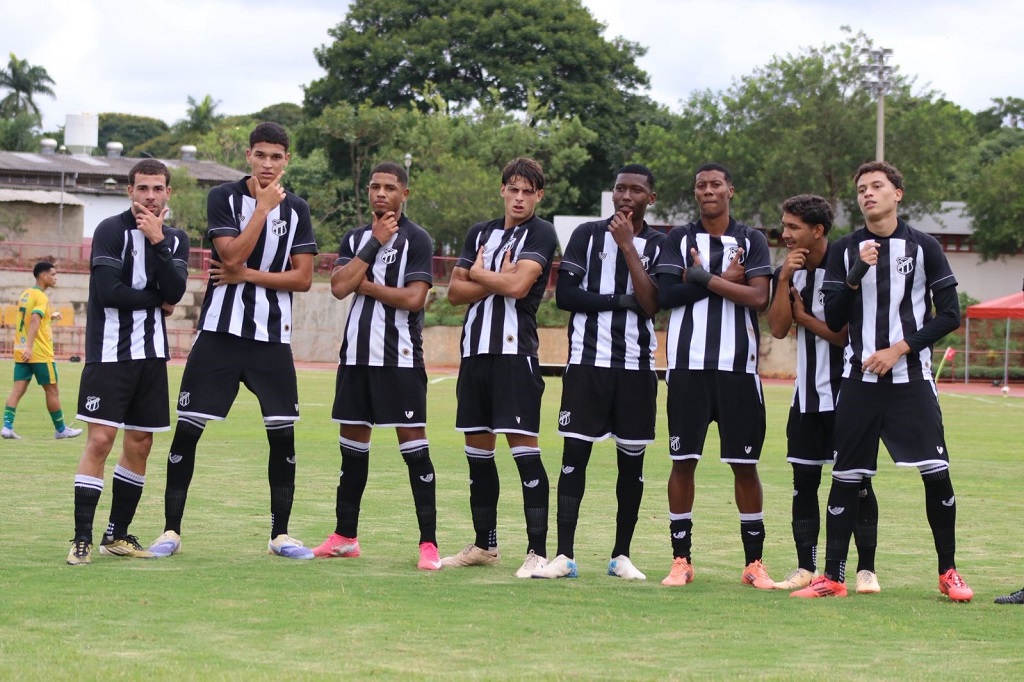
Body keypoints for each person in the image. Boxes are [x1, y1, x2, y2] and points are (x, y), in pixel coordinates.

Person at [792, 161, 972, 601]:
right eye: (861, 189)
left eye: (877, 186)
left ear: (898, 194)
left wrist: (900, 349)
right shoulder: (845, 249)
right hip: (858, 382)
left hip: (911, 379)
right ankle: (832, 578)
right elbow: (833, 319)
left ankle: (948, 572)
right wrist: (856, 272)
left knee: (936, 474)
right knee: (847, 477)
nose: (868, 194)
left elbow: (950, 314)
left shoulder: (925, 246)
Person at [148, 122, 318, 560]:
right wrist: (260, 210)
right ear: (248, 156)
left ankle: (280, 535)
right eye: (260, 155)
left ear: (286, 161)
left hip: (271, 340)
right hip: (220, 334)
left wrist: (247, 277)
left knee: (283, 438)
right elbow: (230, 256)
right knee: (187, 431)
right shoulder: (222, 197)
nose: (267, 164)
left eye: (276, 157)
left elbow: (302, 279)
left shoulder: (297, 209)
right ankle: (170, 531)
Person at [531, 164, 663, 581]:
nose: (625, 196)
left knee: (632, 465)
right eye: (620, 188)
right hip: (587, 366)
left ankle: (621, 555)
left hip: (637, 369)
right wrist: (620, 301)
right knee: (574, 459)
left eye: (635, 190)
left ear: (650, 199)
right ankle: (564, 555)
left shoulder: (661, 244)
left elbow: (652, 303)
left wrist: (628, 247)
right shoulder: (586, 235)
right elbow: (567, 296)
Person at [311, 162, 441, 570]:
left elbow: (413, 299)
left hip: (399, 360)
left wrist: (362, 284)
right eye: (374, 187)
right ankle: (345, 537)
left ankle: (428, 544)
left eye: (389, 187)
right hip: (355, 359)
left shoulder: (418, 239)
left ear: (405, 193)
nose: (381, 193)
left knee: (415, 451)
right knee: (352, 453)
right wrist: (373, 245)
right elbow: (336, 288)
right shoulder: (355, 238)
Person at [653, 163, 776, 589]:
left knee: (745, 466)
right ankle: (681, 559)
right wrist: (722, 280)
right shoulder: (678, 238)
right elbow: (666, 295)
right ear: (696, 192)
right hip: (687, 370)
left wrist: (701, 278)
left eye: (716, 184)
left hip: (738, 373)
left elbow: (759, 297)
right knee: (682, 462)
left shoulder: (752, 239)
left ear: (730, 190)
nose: (708, 190)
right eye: (701, 184)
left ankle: (754, 563)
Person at [67, 160, 189, 565]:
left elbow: (177, 288)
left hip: (152, 358)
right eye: (142, 188)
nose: (150, 196)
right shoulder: (110, 230)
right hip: (109, 355)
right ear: (130, 191)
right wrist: (159, 302)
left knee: (140, 444)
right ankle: (81, 537)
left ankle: (116, 535)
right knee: (100, 441)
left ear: (168, 193)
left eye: (157, 188)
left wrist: (157, 243)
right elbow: (109, 291)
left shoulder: (175, 239)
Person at [440, 157, 558, 578]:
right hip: (475, 356)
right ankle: (484, 545)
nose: (520, 197)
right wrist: (491, 275)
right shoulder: (480, 232)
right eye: (514, 189)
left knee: (525, 453)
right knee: (478, 455)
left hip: (514, 357)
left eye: (529, 191)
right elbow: (454, 293)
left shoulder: (541, 232)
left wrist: (477, 272)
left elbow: (517, 285)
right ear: (503, 190)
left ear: (538, 195)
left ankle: (537, 551)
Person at [767, 195, 880, 593]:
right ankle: (805, 567)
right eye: (784, 225)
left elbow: (843, 334)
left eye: (793, 227)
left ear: (817, 231)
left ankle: (866, 569)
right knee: (804, 481)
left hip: (849, 394)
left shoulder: (847, 267)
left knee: (858, 484)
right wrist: (782, 280)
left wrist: (804, 319)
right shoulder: (791, 272)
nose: (785, 233)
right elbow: (778, 329)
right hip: (807, 397)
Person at [3, 262, 82, 440]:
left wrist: (50, 318)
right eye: (53, 274)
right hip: (39, 353)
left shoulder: (26, 294)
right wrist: (30, 347)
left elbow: (31, 319)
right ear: (43, 276)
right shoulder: (41, 297)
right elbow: (33, 320)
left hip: (21, 350)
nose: (56, 277)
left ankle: (7, 427)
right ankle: (61, 430)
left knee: (17, 390)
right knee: (52, 391)